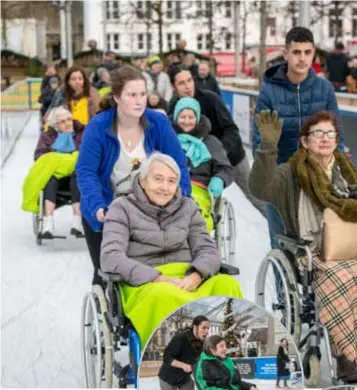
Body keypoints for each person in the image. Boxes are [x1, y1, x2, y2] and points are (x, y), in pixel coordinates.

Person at [250, 110, 357, 381]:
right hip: (315, 251)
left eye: (329, 133)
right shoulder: (290, 174)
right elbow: (260, 189)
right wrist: (267, 148)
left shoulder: (348, 172)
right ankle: (346, 360)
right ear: (305, 142)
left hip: (356, 248)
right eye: (317, 134)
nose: (324, 138)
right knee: (343, 279)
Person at [100, 153, 243, 348]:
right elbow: (110, 256)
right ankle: (169, 355)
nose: (164, 187)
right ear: (142, 180)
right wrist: (157, 278)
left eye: (171, 181)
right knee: (164, 295)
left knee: (226, 284)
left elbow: (207, 248)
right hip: (144, 282)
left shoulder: (188, 207)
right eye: (158, 179)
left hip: (187, 277)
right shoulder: (121, 208)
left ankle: (228, 352)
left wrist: (197, 275)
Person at [75, 65, 191, 287]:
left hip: (150, 212)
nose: (139, 101)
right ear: (117, 97)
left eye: (143, 94)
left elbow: (178, 166)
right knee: (108, 273)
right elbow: (86, 172)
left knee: (155, 270)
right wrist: (98, 207)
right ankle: (105, 309)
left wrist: (182, 197)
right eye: (132, 95)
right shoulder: (98, 127)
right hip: (110, 209)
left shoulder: (158, 123)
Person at [252, 27, 344, 249]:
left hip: (318, 179)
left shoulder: (325, 89)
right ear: (286, 54)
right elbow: (259, 140)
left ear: (314, 54)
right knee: (283, 245)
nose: (302, 58)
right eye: (296, 52)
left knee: (323, 246)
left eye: (307, 52)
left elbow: (335, 137)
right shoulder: (269, 92)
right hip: (281, 181)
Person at [168, 65, 267, 217]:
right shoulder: (174, 105)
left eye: (189, 80)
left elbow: (231, 129)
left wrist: (218, 151)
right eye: (181, 83)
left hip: (230, 156)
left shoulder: (210, 99)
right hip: (200, 166)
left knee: (254, 196)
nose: (188, 86)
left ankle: (280, 227)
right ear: (173, 86)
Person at [172, 97, 234, 231]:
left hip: (198, 190)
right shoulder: (168, 138)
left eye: (191, 117)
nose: (187, 121)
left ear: (198, 118)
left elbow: (226, 168)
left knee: (193, 216)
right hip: (170, 188)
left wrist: (220, 179)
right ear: (176, 118)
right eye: (182, 117)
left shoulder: (210, 142)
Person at [22, 107, 85, 237]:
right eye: (62, 122)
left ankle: (77, 222)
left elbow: (88, 154)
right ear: (55, 126)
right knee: (50, 178)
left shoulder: (82, 133)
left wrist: (58, 159)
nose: (68, 123)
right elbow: (39, 157)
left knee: (78, 175)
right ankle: (48, 223)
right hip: (56, 178)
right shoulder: (47, 136)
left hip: (76, 176)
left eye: (69, 119)